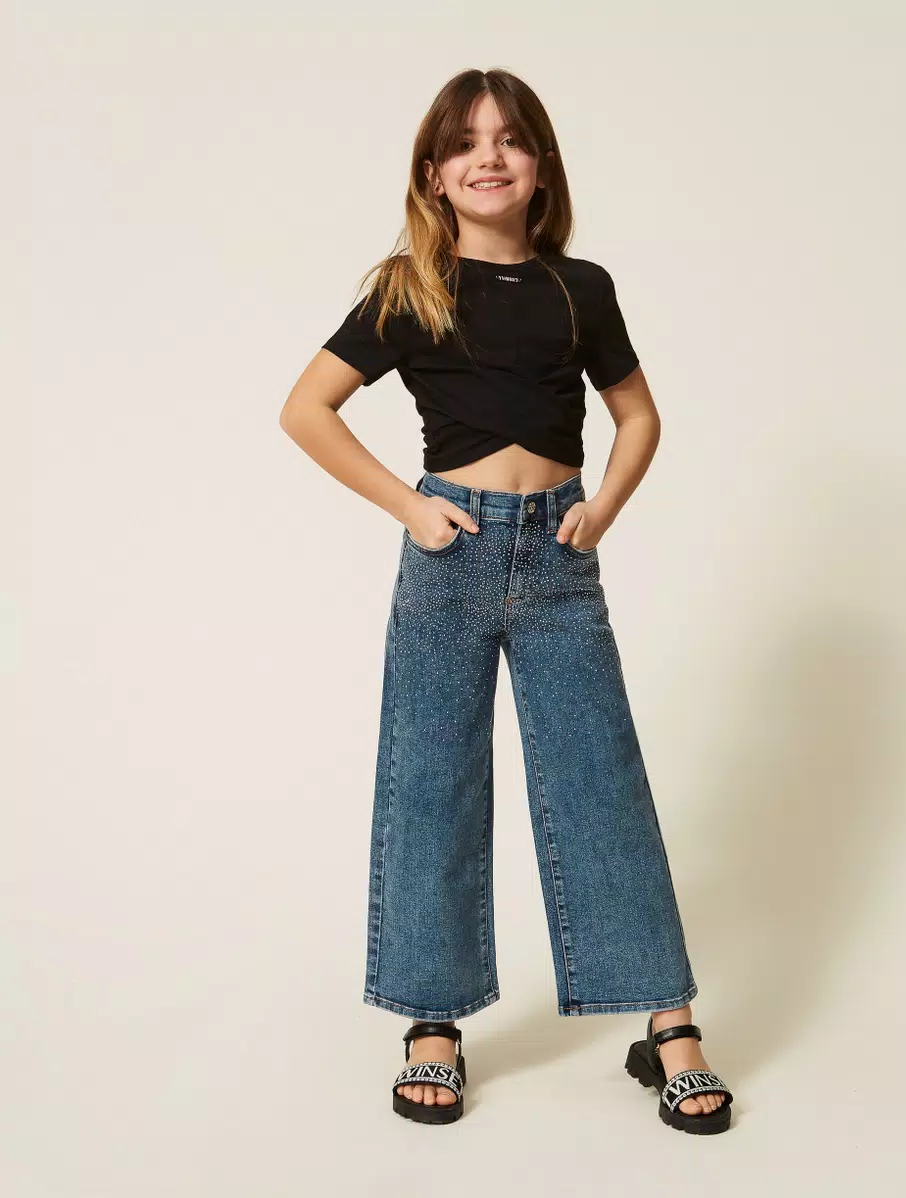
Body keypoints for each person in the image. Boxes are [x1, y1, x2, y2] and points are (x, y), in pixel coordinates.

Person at [280, 67, 734, 1134]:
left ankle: (668, 1026)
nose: (488, 157)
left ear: (540, 166)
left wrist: (602, 509)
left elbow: (637, 415)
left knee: (600, 780)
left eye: (510, 139)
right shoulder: (411, 288)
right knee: (431, 782)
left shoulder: (581, 287)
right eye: (464, 143)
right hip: (451, 556)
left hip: (558, 558)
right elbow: (306, 409)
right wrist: (410, 507)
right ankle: (431, 1023)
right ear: (434, 174)